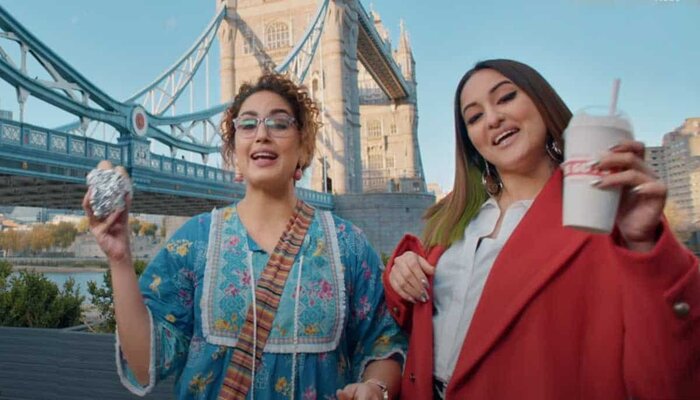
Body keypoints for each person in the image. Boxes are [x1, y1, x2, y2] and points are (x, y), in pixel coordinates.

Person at [383, 59, 700, 399]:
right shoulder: (454, 218)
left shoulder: (606, 217)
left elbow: (668, 370)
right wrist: (401, 274)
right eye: (474, 117)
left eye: (506, 98)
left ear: (542, 103)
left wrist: (647, 247)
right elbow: (416, 324)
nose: (492, 119)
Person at [84, 72, 406, 399]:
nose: (262, 134)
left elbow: (384, 343)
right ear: (234, 152)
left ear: (303, 147)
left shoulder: (347, 244)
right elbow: (144, 365)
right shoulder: (195, 241)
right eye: (248, 124)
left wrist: (375, 388)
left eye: (279, 123)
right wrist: (120, 259)